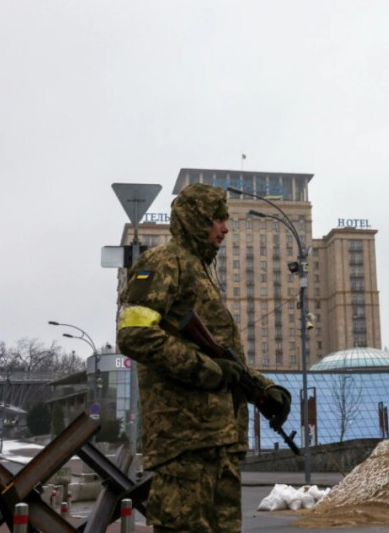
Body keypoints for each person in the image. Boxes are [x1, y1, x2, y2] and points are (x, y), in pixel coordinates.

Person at [117, 183, 291, 532]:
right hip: (185, 446)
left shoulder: (199, 271)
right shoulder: (164, 261)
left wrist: (264, 388)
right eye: (217, 219)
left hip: (217, 445)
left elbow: (227, 361)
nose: (225, 228)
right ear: (197, 220)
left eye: (225, 219)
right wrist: (208, 370)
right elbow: (133, 334)